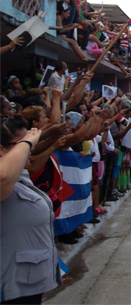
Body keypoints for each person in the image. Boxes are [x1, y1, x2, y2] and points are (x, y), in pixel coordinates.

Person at [1, 121, 61, 304]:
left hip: (28, 284)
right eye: (24, 144)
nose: (31, 149)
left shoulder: (20, 177)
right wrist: (26, 143)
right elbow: (3, 177)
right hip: (11, 288)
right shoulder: (6, 181)